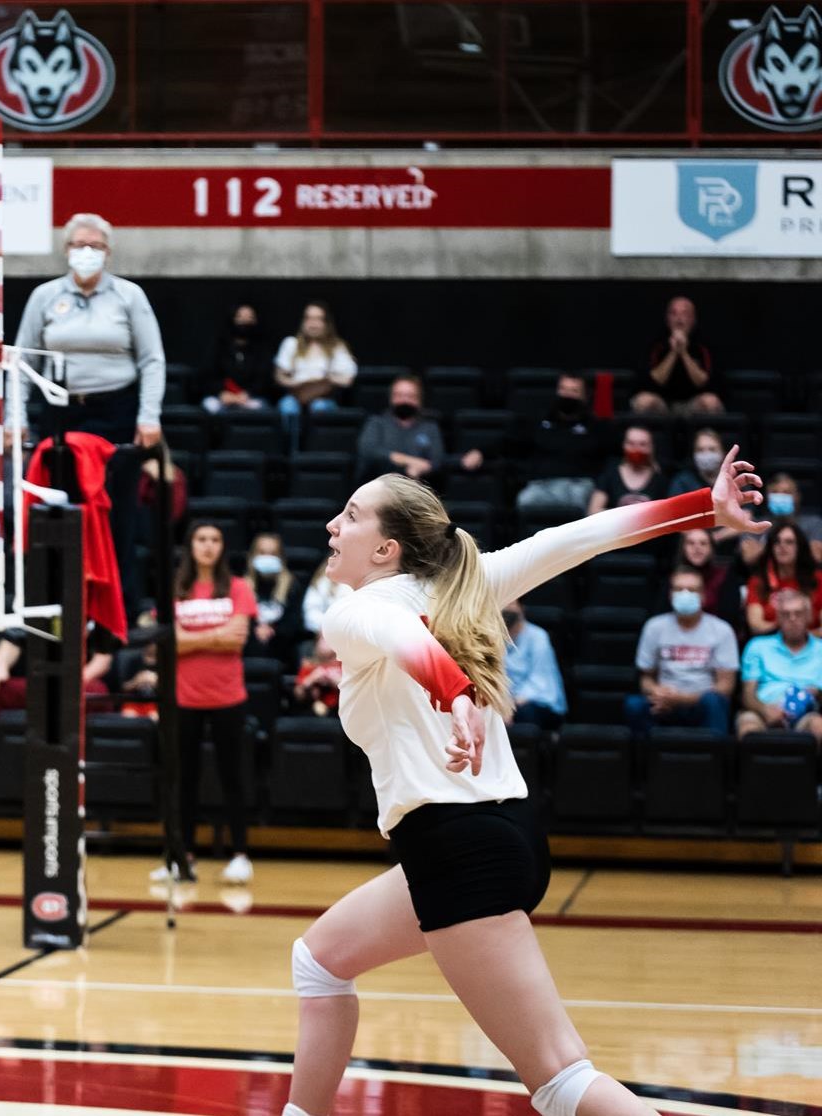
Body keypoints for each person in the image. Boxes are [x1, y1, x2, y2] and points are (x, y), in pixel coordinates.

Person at [282, 451, 764, 1116]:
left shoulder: (355, 610)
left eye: (352, 516)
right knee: (320, 960)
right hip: (502, 834)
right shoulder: (467, 582)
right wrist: (699, 508)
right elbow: (575, 538)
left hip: (455, 846)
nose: (334, 525)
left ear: (387, 548)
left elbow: (398, 634)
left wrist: (452, 693)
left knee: (559, 1078)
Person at [13, 213, 166, 447]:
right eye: (80, 245)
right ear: (67, 249)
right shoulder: (44, 295)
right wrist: (15, 417)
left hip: (116, 411)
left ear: (107, 253)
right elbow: (22, 362)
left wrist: (149, 417)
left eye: (96, 246)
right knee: (58, 482)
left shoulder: (129, 295)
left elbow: (152, 360)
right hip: (59, 411)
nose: (87, 252)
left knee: (114, 482)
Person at [163, 521, 256, 886]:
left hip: (228, 696)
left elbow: (238, 640)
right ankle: (183, 856)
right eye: (201, 539)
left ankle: (239, 855)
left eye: (215, 539)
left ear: (222, 547)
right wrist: (216, 634)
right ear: (191, 545)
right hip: (184, 698)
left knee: (232, 777)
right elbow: (170, 644)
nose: (208, 545)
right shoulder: (176, 588)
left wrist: (191, 638)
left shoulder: (237, 587)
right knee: (184, 779)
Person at [625, 566, 738, 738]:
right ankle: (646, 762)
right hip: (663, 704)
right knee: (634, 705)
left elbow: (726, 687)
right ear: (670, 595)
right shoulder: (654, 627)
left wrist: (683, 699)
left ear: (703, 596)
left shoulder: (722, 630)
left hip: (702, 704)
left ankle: (715, 762)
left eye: (692, 590)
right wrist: (656, 691)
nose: (685, 594)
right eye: (679, 589)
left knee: (715, 702)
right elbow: (645, 678)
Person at [735, 588, 822, 742]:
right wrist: (765, 710)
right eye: (786, 614)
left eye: (799, 613)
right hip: (762, 710)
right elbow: (748, 694)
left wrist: (817, 693)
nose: (793, 619)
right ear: (778, 619)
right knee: (748, 728)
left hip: (807, 714)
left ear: (809, 616)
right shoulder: (757, 646)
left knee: (818, 726)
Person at [515, 373, 607, 512]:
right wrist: (480, 452)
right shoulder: (540, 421)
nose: (567, 395)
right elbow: (510, 443)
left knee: (579, 504)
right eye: (563, 389)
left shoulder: (595, 426)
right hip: (542, 484)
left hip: (578, 484)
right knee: (525, 500)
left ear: (585, 396)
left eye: (574, 391)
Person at [273, 302, 356, 449]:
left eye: (318, 319)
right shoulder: (291, 343)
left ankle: (316, 450)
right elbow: (279, 376)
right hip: (296, 395)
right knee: (287, 407)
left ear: (326, 323)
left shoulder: (336, 346)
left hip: (323, 397)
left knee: (320, 407)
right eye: (309, 318)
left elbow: (348, 379)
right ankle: (291, 453)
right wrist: (295, 383)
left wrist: (327, 380)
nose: (313, 324)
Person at [632, 296, 720, 415]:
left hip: (693, 405)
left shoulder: (703, 345)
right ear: (667, 319)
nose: (679, 319)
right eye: (674, 314)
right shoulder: (656, 344)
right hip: (663, 404)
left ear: (693, 319)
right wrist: (673, 352)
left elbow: (702, 381)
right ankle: (641, 434)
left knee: (710, 401)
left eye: (685, 314)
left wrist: (683, 352)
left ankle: (706, 434)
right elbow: (656, 380)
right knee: (644, 400)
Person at [355, 374, 445, 484]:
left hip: (419, 490)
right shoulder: (377, 423)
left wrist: (421, 468)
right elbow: (369, 451)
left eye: (410, 396)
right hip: (378, 487)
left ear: (419, 400)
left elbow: (437, 461)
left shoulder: (430, 427)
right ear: (391, 398)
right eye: (399, 395)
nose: (404, 400)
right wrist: (409, 461)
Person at [744, 519, 821, 635]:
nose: (782, 546)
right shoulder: (759, 581)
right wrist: (787, 634)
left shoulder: (818, 579)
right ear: (771, 548)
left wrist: (801, 639)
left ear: (800, 547)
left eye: (789, 542)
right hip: (771, 645)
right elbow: (756, 625)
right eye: (777, 542)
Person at [503, 599, 566, 731]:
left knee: (526, 713)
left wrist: (510, 706)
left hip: (536, 701)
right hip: (506, 702)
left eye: (511, 603)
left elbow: (538, 682)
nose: (507, 608)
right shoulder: (492, 637)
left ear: (521, 608)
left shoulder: (538, 636)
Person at [201, 302, 273, 414]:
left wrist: (247, 394)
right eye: (240, 317)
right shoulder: (219, 346)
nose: (244, 321)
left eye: (249, 318)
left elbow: (264, 379)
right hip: (222, 397)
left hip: (251, 398)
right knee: (210, 405)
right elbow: (208, 375)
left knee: (261, 408)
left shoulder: (262, 349)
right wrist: (222, 393)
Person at [587, 424, 665, 515]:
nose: (636, 449)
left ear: (651, 447)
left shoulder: (660, 478)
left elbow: (667, 515)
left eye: (642, 444)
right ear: (624, 445)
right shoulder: (611, 474)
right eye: (631, 443)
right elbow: (593, 511)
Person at [244, 532, 294, 660]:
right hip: (249, 647)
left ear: (281, 558)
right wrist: (256, 629)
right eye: (262, 553)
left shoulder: (292, 585)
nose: (267, 558)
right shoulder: (242, 586)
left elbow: (294, 623)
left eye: (272, 554)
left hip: (281, 649)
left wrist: (272, 629)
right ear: (253, 556)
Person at [667, 427, 729, 498]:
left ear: (723, 454)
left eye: (712, 449)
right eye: (700, 450)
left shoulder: (733, 482)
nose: (706, 454)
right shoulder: (682, 483)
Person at [294, 635, 344, 717]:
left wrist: (335, 680)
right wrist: (311, 679)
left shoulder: (345, 666)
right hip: (310, 711)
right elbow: (298, 694)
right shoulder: (309, 666)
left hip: (338, 712)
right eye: (322, 639)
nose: (325, 643)